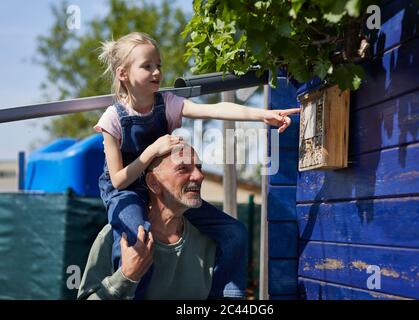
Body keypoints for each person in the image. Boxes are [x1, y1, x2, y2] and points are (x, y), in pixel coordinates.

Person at [94, 31, 299, 299]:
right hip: (126, 189)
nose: (157, 72)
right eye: (147, 66)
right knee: (135, 240)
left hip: (164, 188)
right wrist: (153, 151)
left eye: (159, 66)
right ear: (123, 74)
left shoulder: (165, 103)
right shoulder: (112, 119)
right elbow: (119, 179)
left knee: (234, 232)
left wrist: (264, 115)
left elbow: (215, 110)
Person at [78, 145, 241, 299]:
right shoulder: (117, 236)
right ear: (153, 183)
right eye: (183, 168)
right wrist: (126, 277)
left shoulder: (212, 240)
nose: (199, 176)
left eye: (199, 167)